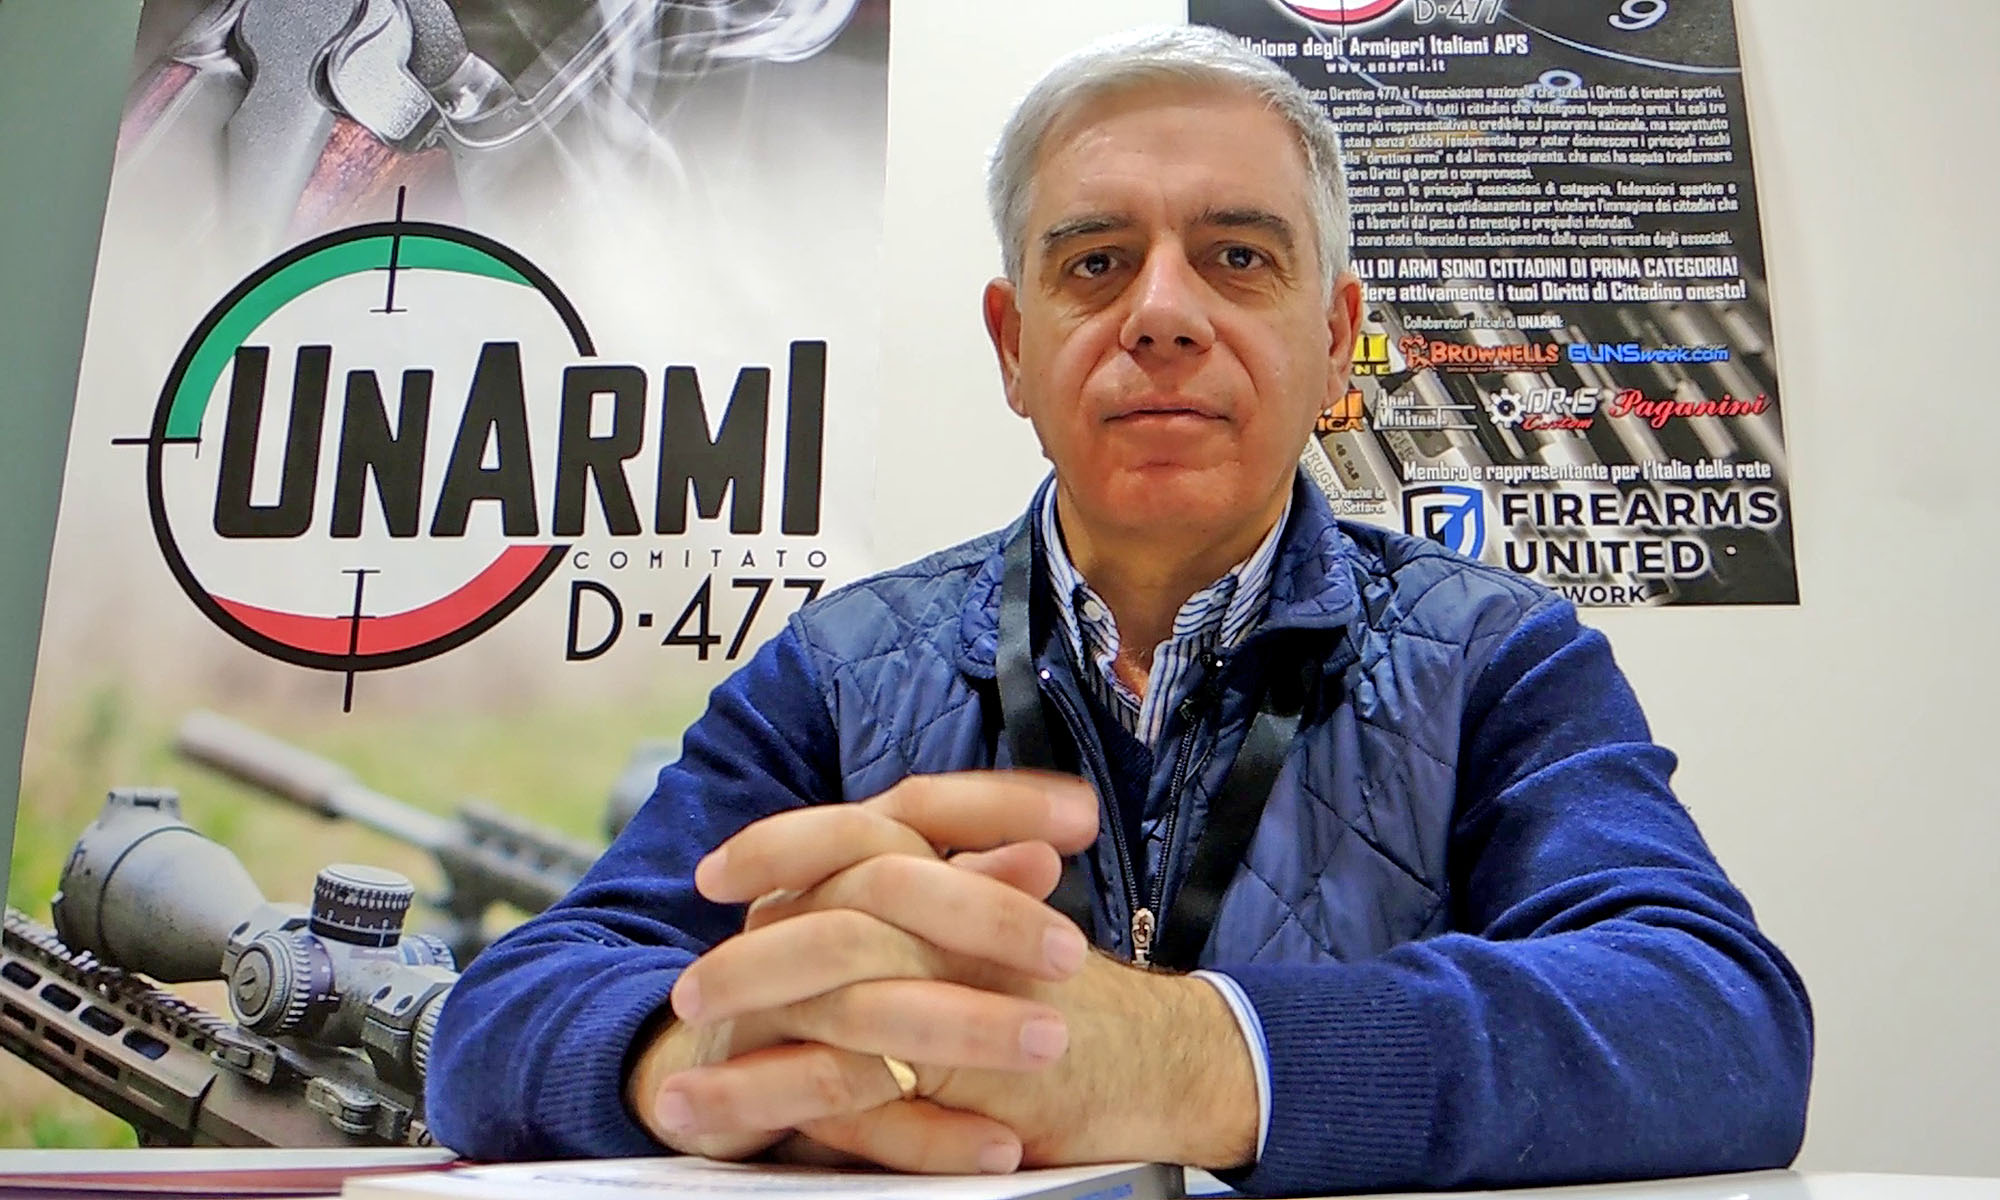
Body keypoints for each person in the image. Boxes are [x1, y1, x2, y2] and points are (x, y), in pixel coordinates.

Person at [425, 25, 1812, 1195]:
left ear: (1337, 341)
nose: (1160, 313)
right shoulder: (837, 668)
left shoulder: (1500, 657)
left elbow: (1721, 1025)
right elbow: (500, 1017)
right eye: (1094, 262)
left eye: (1238, 257)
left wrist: (1182, 1057)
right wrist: (700, 1059)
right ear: (1012, 345)